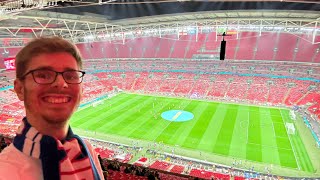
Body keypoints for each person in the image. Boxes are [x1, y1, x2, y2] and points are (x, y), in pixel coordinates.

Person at [0, 37, 104, 180]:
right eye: (43, 75)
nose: (61, 83)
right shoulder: (5, 171)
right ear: (19, 89)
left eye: (71, 75)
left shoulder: (86, 151)